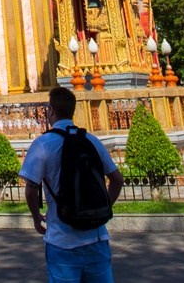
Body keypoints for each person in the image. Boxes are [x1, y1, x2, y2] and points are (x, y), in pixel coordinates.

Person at [20, 86, 124, 283]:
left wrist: (36, 217)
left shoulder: (43, 144)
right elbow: (117, 179)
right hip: (97, 237)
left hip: (62, 240)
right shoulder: (91, 140)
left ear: (50, 110)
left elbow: (31, 190)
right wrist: (104, 206)